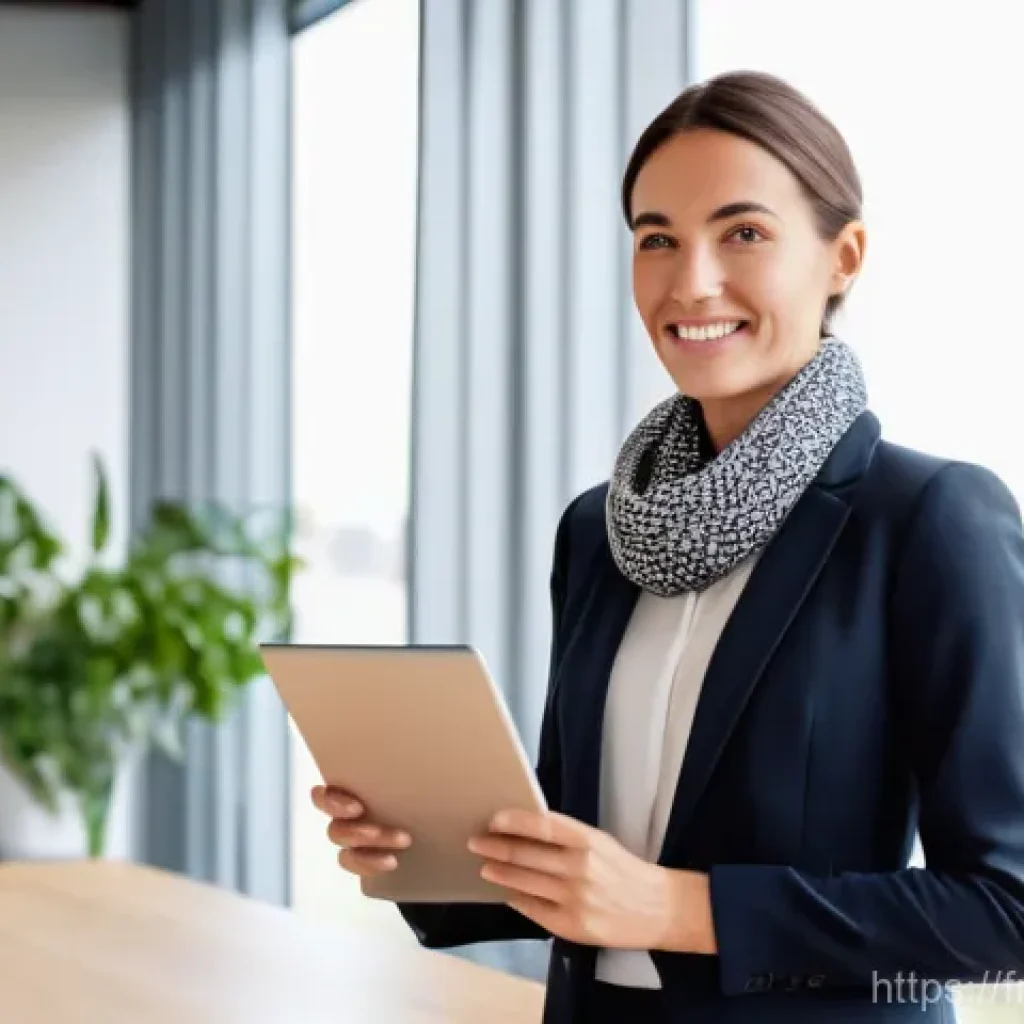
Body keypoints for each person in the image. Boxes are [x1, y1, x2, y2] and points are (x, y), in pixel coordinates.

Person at [311, 70, 1024, 1022]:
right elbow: (586, 849)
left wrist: (687, 908)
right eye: (657, 240)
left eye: (744, 233)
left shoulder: (928, 518)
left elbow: (1003, 912)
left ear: (843, 256)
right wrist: (424, 850)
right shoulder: (599, 529)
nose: (690, 282)